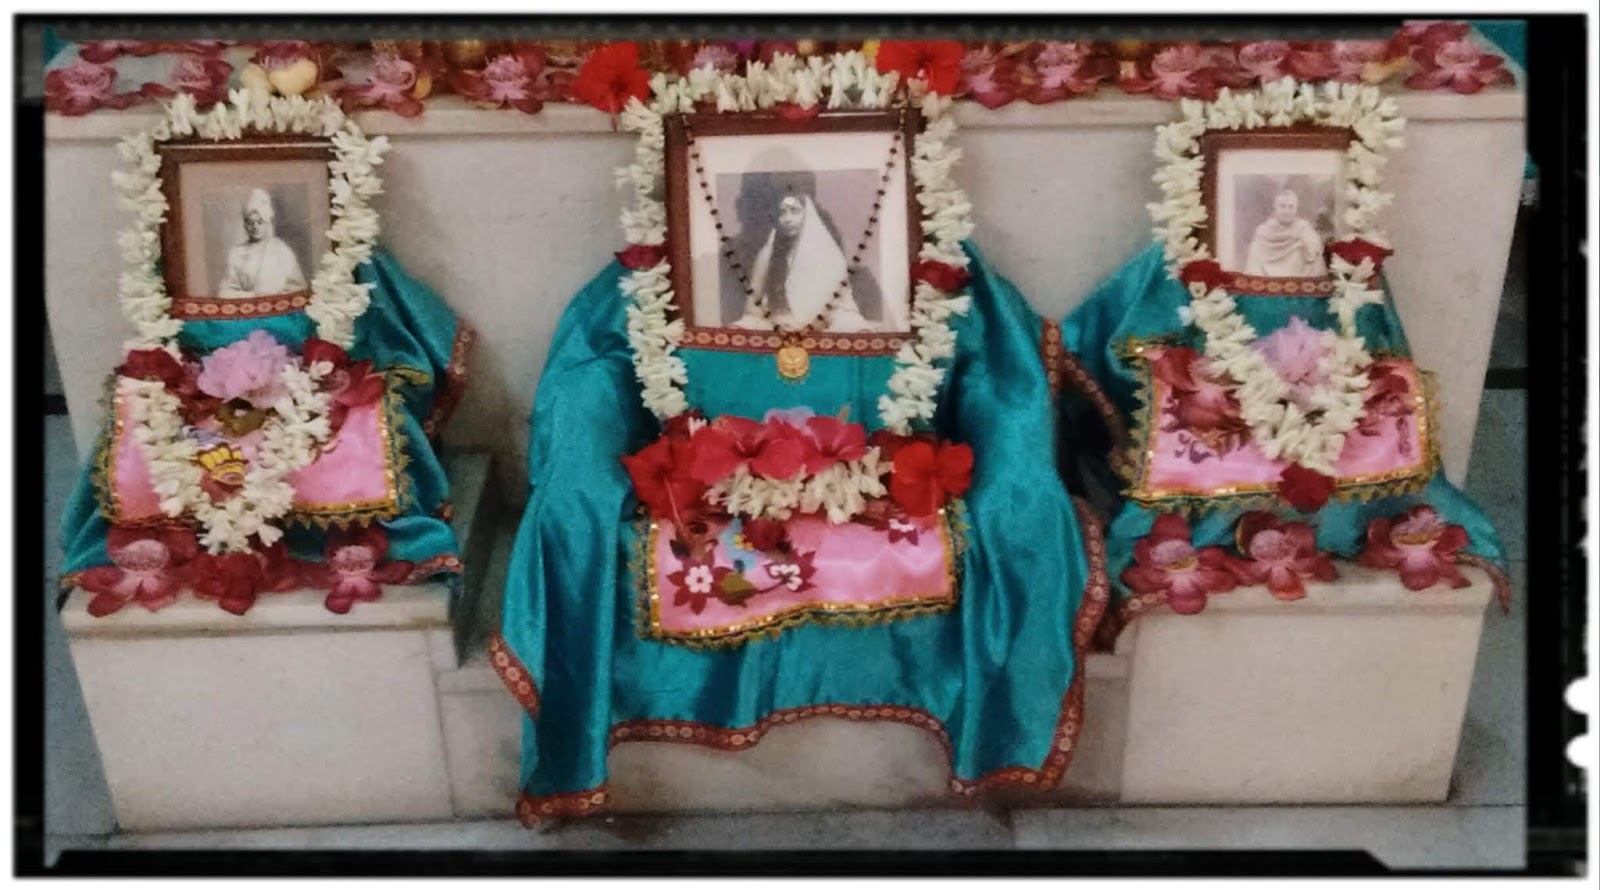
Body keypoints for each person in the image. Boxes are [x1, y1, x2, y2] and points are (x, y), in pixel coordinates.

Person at [732, 192, 876, 332]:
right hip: (776, 325)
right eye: (782, 213)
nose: (787, 219)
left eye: (795, 211)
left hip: (822, 324)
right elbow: (752, 305)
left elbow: (840, 306)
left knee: (852, 324)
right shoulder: (768, 254)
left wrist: (810, 324)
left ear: (808, 216)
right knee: (743, 326)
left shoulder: (828, 256)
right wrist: (777, 321)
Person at [217, 188, 307, 298]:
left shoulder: (282, 250)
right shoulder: (237, 253)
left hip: (278, 305)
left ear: (267, 223)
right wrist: (252, 295)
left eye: (260, 222)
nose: (255, 227)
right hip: (249, 306)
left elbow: (299, 289)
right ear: (245, 225)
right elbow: (225, 292)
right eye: (250, 222)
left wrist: (275, 297)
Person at [1242, 187, 1327, 278]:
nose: (1287, 211)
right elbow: (1254, 261)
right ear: (1275, 208)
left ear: (1296, 209)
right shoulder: (1262, 231)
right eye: (1282, 206)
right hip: (1266, 278)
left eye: (1291, 207)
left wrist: (1307, 244)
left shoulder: (1303, 228)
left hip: (1300, 277)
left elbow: (1314, 255)